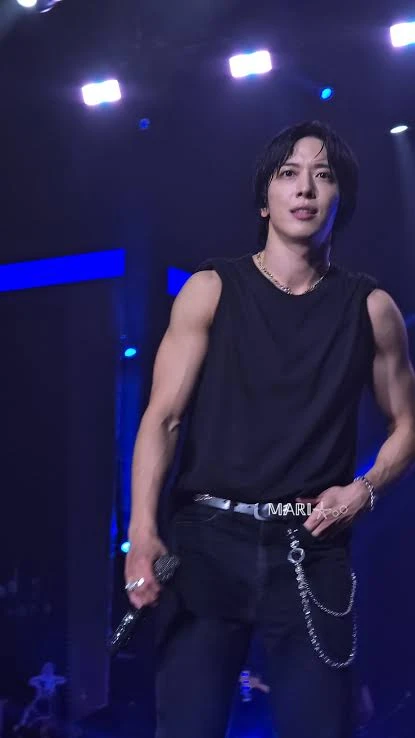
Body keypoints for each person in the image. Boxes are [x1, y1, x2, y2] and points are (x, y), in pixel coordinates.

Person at [125, 120, 415, 738]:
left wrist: (363, 492)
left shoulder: (372, 308)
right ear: (265, 199)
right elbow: (163, 417)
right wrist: (142, 531)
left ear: (341, 198)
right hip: (206, 540)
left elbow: (407, 424)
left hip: (312, 545)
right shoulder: (210, 290)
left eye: (323, 175)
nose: (305, 188)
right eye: (288, 174)